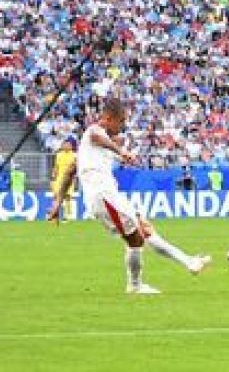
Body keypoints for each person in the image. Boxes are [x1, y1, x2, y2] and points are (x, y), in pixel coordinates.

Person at [47, 100, 210, 294]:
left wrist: (57, 203)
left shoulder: (89, 149)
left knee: (144, 231)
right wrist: (121, 152)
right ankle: (136, 285)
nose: (122, 126)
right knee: (138, 237)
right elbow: (99, 138)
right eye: (120, 121)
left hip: (109, 196)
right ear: (108, 119)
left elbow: (70, 172)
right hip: (103, 196)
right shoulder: (94, 131)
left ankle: (189, 263)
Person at [50, 138, 78, 222]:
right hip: (59, 179)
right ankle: (55, 216)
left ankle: (67, 216)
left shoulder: (74, 155)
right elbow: (56, 167)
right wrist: (53, 177)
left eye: (68, 144)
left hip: (69, 179)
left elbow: (76, 167)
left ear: (71, 146)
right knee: (56, 197)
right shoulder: (58, 155)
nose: (66, 146)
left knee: (67, 197)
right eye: (64, 144)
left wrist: (75, 177)